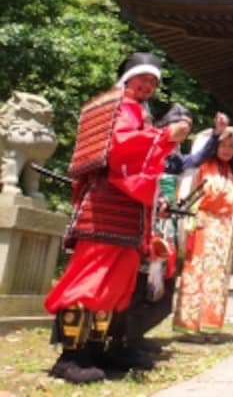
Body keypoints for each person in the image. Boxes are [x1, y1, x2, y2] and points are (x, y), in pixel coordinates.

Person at [45, 52, 190, 383]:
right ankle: (71, 355)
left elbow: (145, 166)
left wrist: (157, 198)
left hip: (128, 210)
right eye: (143, 78)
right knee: (92, 277)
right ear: (127, 78)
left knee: (117, 283)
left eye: (154, 81)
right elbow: (120, 148)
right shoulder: (119, 106)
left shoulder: (138, 112)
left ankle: (98, 349)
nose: (148, 86)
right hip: (105, 207)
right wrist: (165, 137)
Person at [107, 107, 228, 360]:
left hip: (166, 225)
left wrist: (217, 135)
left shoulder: (175, 159)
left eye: (188, 127)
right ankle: (121, 338)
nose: (184, 131)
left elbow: (197, 159)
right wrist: (157, 198)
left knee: (164, 284)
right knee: (139, 281)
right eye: (180, 125)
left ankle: (135, 335)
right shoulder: (147, 150)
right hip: (143, 221)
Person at [173, 129, 233, 337]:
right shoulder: (203, 168)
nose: (227, 150)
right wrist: (191, 220)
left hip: (223, 229)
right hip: (202, 223)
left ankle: (211, 324)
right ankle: (190, 324)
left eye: (231, 146)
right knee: (197, 273)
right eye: (223, 145)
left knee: (218, 277)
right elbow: (188, 193)